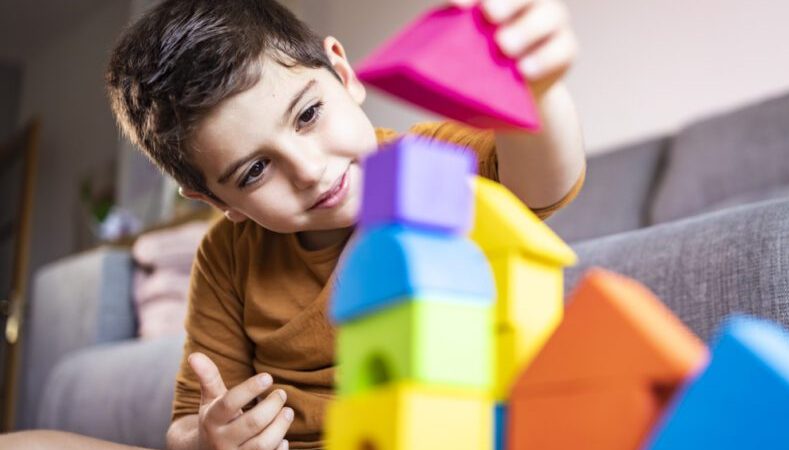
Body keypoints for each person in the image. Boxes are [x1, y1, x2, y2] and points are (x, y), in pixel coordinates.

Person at [103, 0, 586, 448]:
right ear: (216, 200)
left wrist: (537, 94)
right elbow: (187, 424)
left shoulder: (426, 160)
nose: (309, 170)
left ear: (342, 71)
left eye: (308, 115)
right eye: (255, 171)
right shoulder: (227, 255)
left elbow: (540, 185)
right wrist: (207, 439)